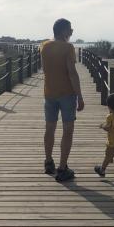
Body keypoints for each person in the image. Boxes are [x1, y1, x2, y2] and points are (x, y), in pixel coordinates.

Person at [40, 18, 84, 182]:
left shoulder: (44, 46)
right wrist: (80, 96)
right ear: (63, 31)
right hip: (67, 94)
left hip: (49, 93)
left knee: (49, 128)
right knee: (67, 130)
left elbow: (45, 69)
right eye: (70, 29)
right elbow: (72, 73)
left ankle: (48, 162)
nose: (72, 32)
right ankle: (62, 168)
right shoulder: (68, 47)